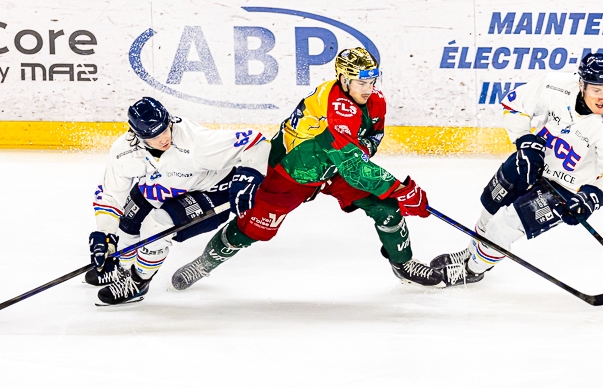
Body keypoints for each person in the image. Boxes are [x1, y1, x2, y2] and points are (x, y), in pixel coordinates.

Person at [170, 47, 444, 291]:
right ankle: (203, 264)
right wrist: (401, 188)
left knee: (386, 208)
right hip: (292, 172)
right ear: (344, 80)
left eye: (372, 81)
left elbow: (371, 139)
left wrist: (387, 186)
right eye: (361, 82)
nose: (368, 88)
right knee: (253, 229)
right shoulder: (336, 107)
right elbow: (356, 170)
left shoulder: (375, 100)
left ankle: (404, 264)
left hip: (334, 169)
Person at [430, 52, 603, 286]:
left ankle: (471, 270)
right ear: (581, 84)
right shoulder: (555, 86)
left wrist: (592, 197)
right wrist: (524, 139)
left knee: (503, 226)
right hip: (532, 161)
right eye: (596, 90)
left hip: (566, 187)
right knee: (490, 204)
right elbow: (514, 104)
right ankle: (471, 251)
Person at [88, 97, 270, 305]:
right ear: (136, 136)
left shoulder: (195, 142)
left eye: (165, 129)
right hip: (167, 185)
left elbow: (255, 142)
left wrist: (249, 176)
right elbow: (111, 196)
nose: (163, 138)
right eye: (153, 136)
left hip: (210, 193)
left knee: (155, 226)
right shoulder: (123, 152)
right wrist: (104, 233)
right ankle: (122, 268)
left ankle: (138, 282)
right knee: (127, 222)